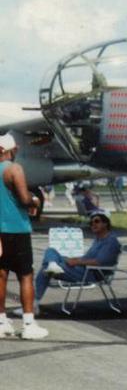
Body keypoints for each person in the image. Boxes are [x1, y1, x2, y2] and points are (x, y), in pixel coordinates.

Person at [0, 133, 48, 339]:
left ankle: (1, 322)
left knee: (1, 275)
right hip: (17, 230)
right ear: (12, 150)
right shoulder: (14, 169)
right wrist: (35, 200)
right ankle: (28, 324)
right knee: (25, 275)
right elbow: (24, 198)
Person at [30, 210, 120, 313]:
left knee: (45, 269)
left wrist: (76, 262)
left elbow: (99, 262)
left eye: (96, 221)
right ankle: (52, 265)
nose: (93, 224)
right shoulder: (98, 240)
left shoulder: (110, 241)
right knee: (51, 251)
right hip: (83, 269)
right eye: (91, 223)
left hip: (91, 274)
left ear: (105, 223)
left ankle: (33, 304)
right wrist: (75, 260)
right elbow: (89, 258)